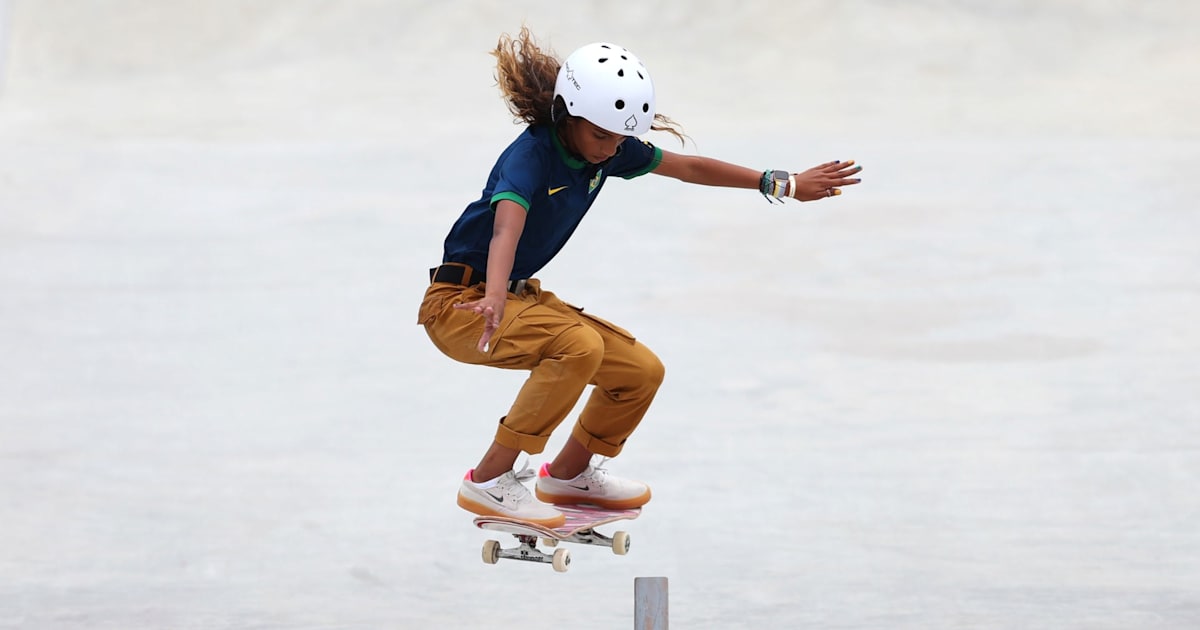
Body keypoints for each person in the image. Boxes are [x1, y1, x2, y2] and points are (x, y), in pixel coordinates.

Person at [419, 28, 863, 527]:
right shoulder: (532, 156)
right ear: (567, 113)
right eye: (601, 136)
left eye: (620, 138)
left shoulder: (606, 149)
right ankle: (488, 483)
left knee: (639, 371)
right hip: (461, 305)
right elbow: (506, 228)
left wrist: (781, 182)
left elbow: (690, 167)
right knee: (579, 347)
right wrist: (496, 296)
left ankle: (566, 475)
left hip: (515, 299)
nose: (611, 150)